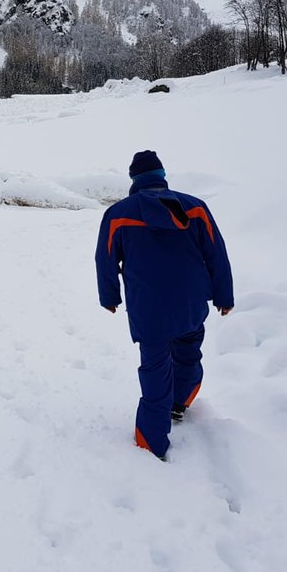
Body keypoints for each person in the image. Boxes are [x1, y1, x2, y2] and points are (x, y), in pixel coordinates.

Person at [94, 150, 234, 460]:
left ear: (134, 179)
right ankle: (179, 403)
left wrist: (109, 297)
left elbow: (105, 259)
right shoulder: (195, 207)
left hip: (149, 309)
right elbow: (216, 253)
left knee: (155, 370)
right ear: (161, 175)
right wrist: (224, 296)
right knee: (187, 353)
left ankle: (151, 443)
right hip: (191, 303)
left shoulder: (118, 213)